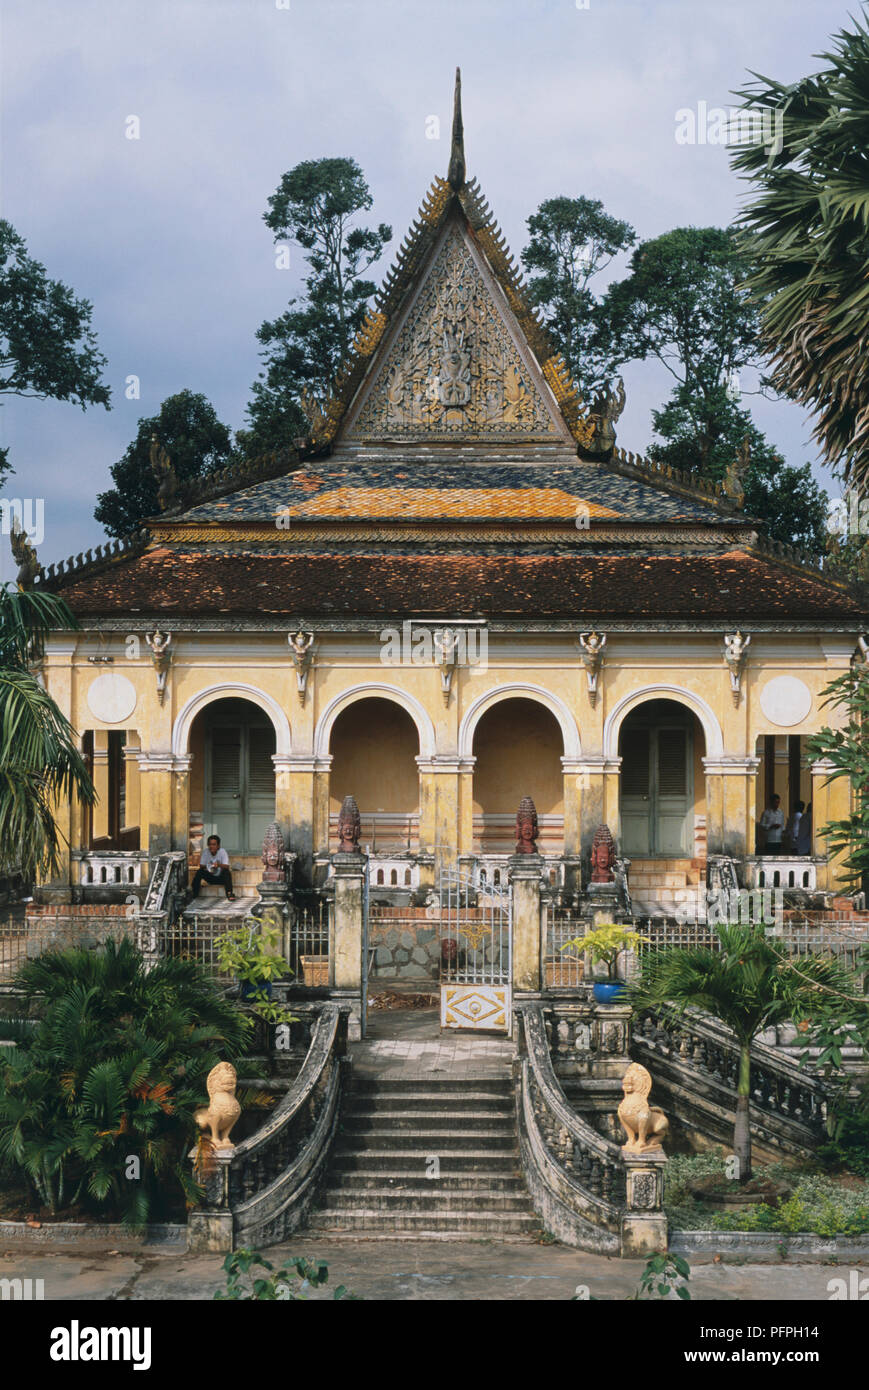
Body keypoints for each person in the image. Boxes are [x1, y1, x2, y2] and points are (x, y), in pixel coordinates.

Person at [191, 834, 235, 900]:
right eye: (210, 844)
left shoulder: (222, 852)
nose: (211, 846)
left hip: (220, 878)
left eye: (214, 844)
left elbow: (227, 866)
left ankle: (229, 893)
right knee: (200, 871)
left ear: (218, 846)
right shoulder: (205, 852)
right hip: (210, 877)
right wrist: (209, 866)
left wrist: (219, 865)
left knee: (227, 872)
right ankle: (194, 893)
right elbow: (201, 865)